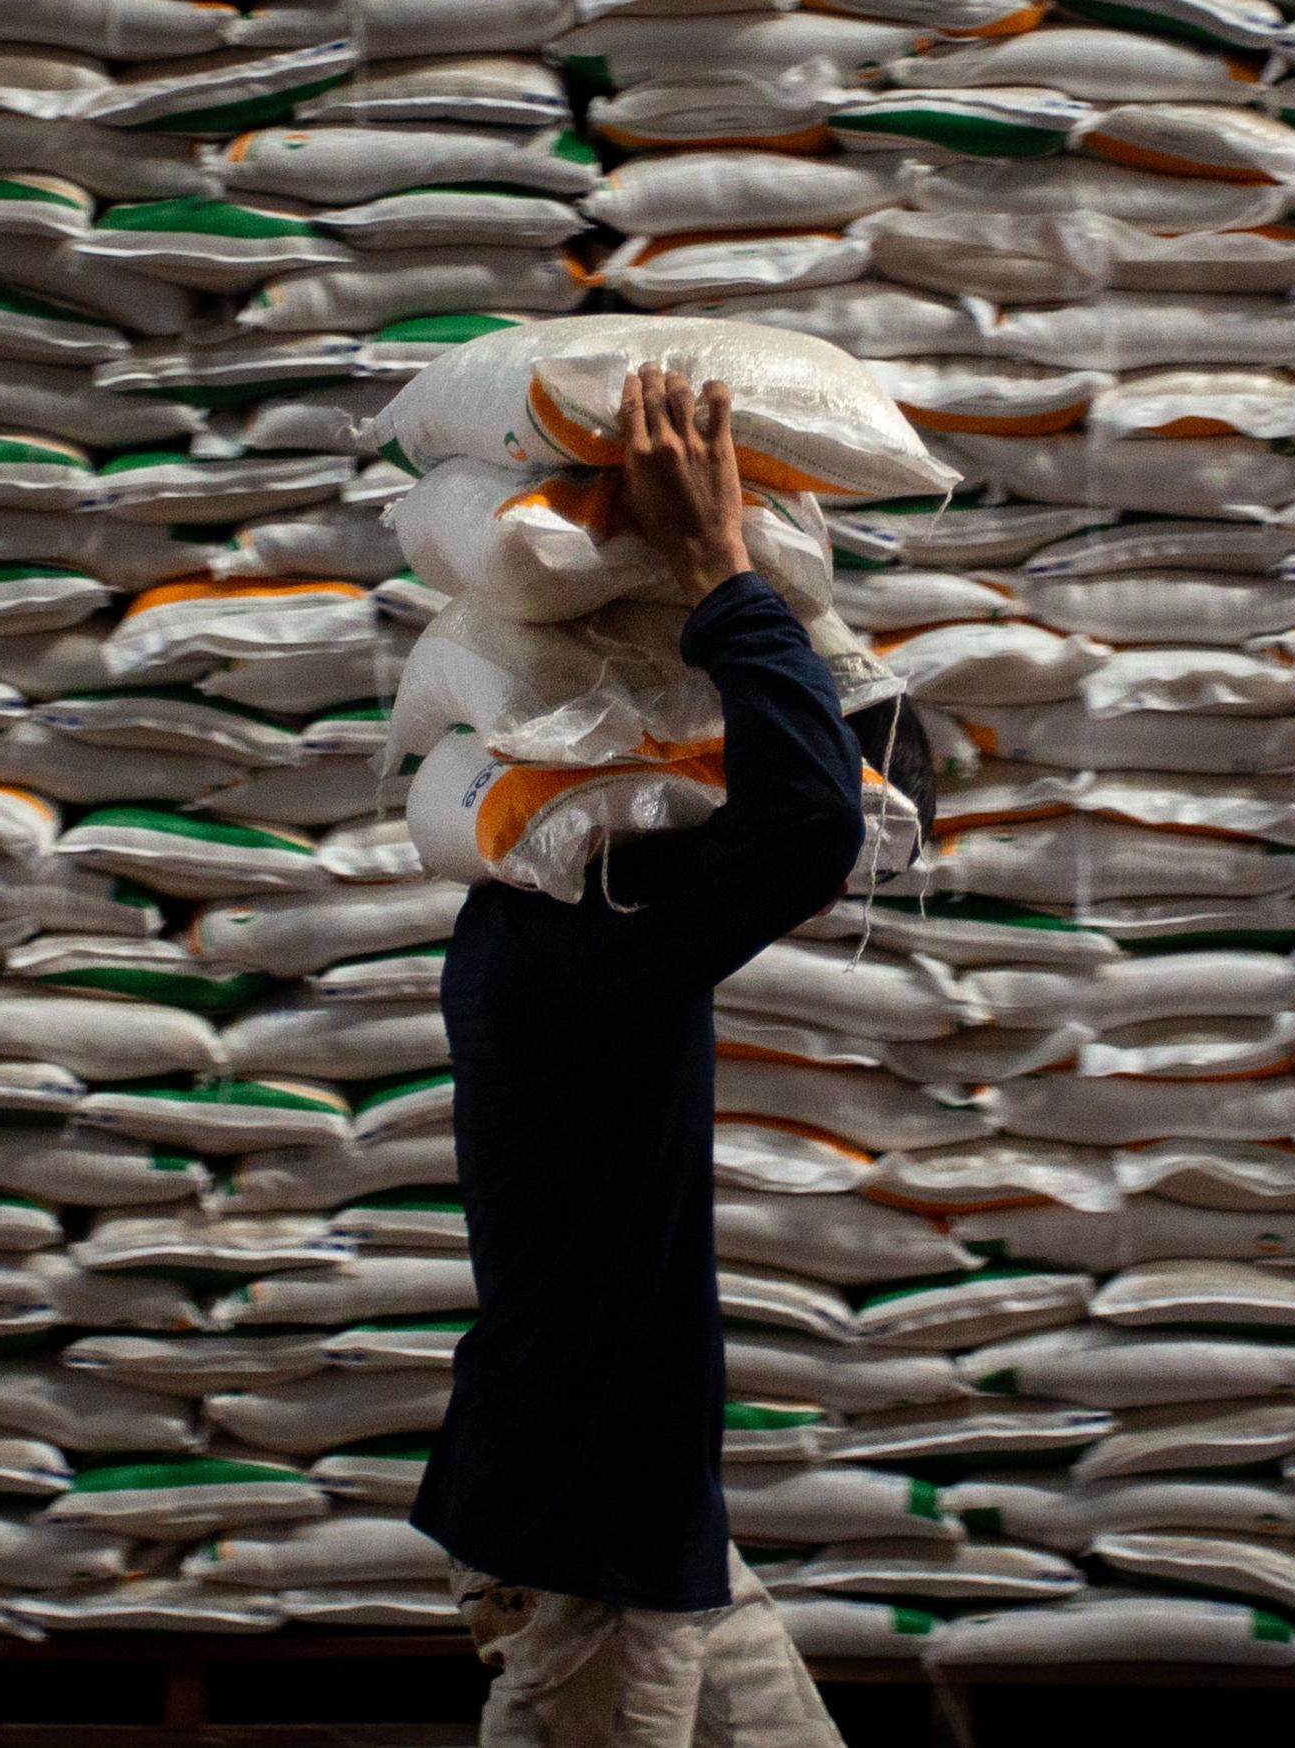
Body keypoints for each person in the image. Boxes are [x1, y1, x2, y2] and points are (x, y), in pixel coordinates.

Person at [416, 362, 880, 1748]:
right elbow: (810, 823)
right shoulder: (584, 942)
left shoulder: (553, 912)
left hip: (644, 1514)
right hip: (591, 1537)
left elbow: (840, 778)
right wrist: (723, 563)